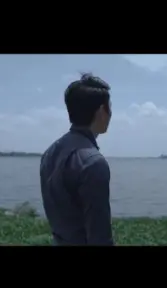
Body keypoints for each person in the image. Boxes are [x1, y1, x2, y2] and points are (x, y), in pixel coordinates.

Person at [40, 73, 113, 246]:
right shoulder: (93, 162)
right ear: (102, 111)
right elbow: (99, 236)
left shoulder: (50, 152)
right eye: (110, 107)